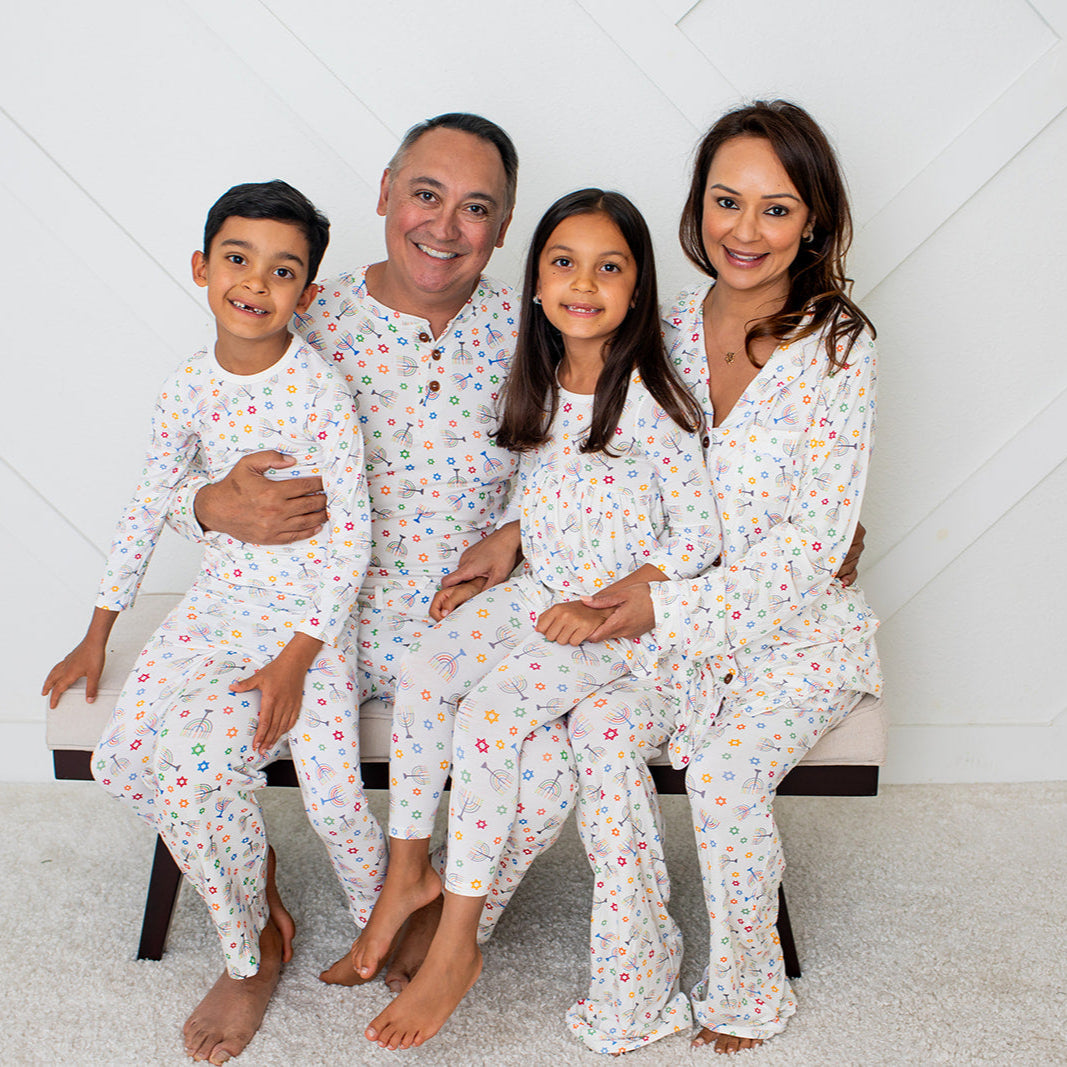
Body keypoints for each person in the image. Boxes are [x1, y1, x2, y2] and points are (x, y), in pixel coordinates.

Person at [171, 116, 581, 995]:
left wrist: (516, 532)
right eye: (426, 194)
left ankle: (441, 916)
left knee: (546, 776)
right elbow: (187, 455)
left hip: (466, 619)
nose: (444, 225)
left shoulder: (537, 326)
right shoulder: (306, 314)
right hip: (314, 612)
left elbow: (604, 442)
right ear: (387, 191)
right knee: (199, 749)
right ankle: (256, 929)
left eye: (477, 208)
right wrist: (209, 504)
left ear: (505, 228)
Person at [354, 188, 718, 1050]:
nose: (582, 282)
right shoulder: (544, 380)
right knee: (423, 670)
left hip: (612, 624)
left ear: (636, 289)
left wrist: (608, 604)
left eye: (608, 266)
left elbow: (696, 535)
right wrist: (503, 544)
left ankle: (455, 941)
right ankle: (406, 872)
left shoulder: (654, 402)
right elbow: (551, 490)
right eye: (563, 262)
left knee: (488, 716)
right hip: (535, 588)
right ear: (533, 284)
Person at [562, 101, 883, 1055]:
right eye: (725, 201)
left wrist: (669, 601)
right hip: (660, 626)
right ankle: (635, 976)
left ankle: (747, 990)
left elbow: (814, 544)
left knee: (725, 776)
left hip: (794, 633)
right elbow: (589, 459)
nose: (744, 231)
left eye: (775, 208)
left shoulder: (838, 347)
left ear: (813, 218)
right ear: (696, 206)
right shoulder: (647, 322)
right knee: (597, 730)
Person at [41, 181, 374, 1065]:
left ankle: (382, 927)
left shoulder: (318, 390)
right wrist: (100, 627)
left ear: (306, 293)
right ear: (201, 266)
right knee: (122, 757)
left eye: (282, 269)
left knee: (336, 796)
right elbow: (150, 503)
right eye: (238, 258)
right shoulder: (188, 386)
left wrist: (300, 658)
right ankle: (252, 924)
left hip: (308, 623)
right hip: (221, 608)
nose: (256, 282)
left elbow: (352, 543)